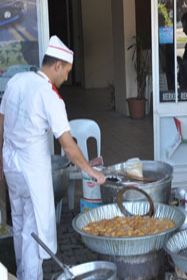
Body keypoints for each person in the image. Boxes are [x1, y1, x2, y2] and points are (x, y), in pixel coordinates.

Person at [0, 36, 106, 279]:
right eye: (67, 71)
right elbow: (68, 145)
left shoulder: (17, 80)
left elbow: (1, 119)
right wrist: (91, 171)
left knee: (19, 223)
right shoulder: (49, 95)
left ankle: (20, 273)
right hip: (32, 170)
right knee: (33, 230)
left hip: (12, 166)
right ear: (57, 65)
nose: (67, 78)